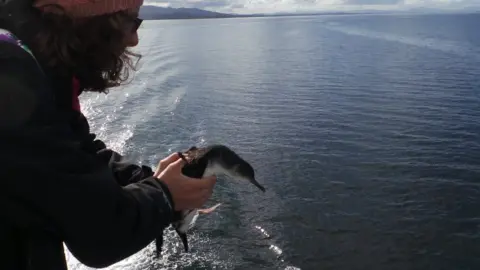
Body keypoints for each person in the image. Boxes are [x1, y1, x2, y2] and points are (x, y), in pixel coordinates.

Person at [0, 0, 217, 269]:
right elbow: (100, 234)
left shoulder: (37, 66)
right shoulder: (9, 72)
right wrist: (164, 195)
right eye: (131, 21)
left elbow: (73, 149)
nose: (134, 40)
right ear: (89, 17)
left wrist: (141, 179)